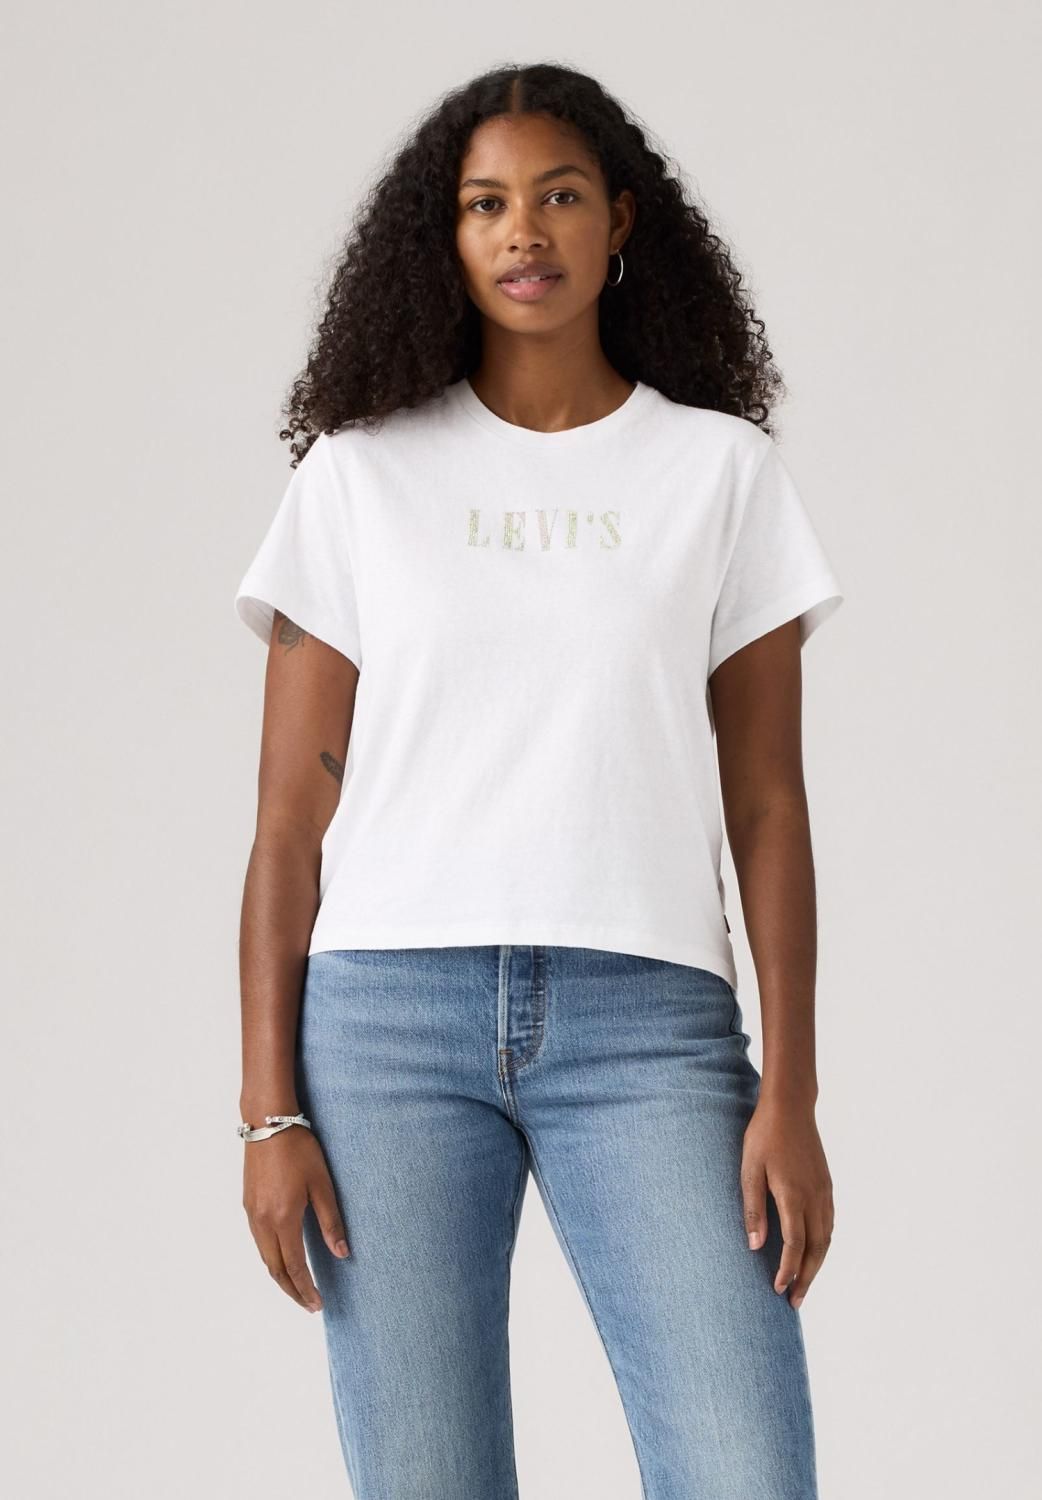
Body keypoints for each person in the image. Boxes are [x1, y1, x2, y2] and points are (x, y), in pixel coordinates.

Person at [233, 61, 843, 1500]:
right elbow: (285, 827)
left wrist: (793, 1090)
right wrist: (268, 1112)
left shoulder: (717, 474)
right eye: (485, 204)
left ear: (619, 219)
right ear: (442, 238)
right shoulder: (358, 478)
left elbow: (768, 807)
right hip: (384, 1028)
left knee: (745, 1472)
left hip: (650, 1025)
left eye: (559, 196)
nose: (524, 231)